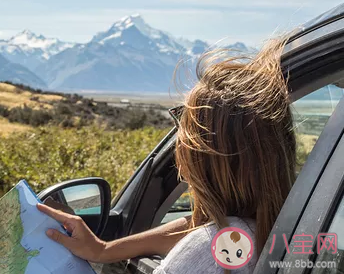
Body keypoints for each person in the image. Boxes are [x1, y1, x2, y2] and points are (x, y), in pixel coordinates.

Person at [37, 37, 297, 274]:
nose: (178, 144)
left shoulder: (211, 248)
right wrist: (103, 251)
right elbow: (197, 227)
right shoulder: (280, 229)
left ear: (202, 157)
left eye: (184, 128)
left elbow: (202, 238)